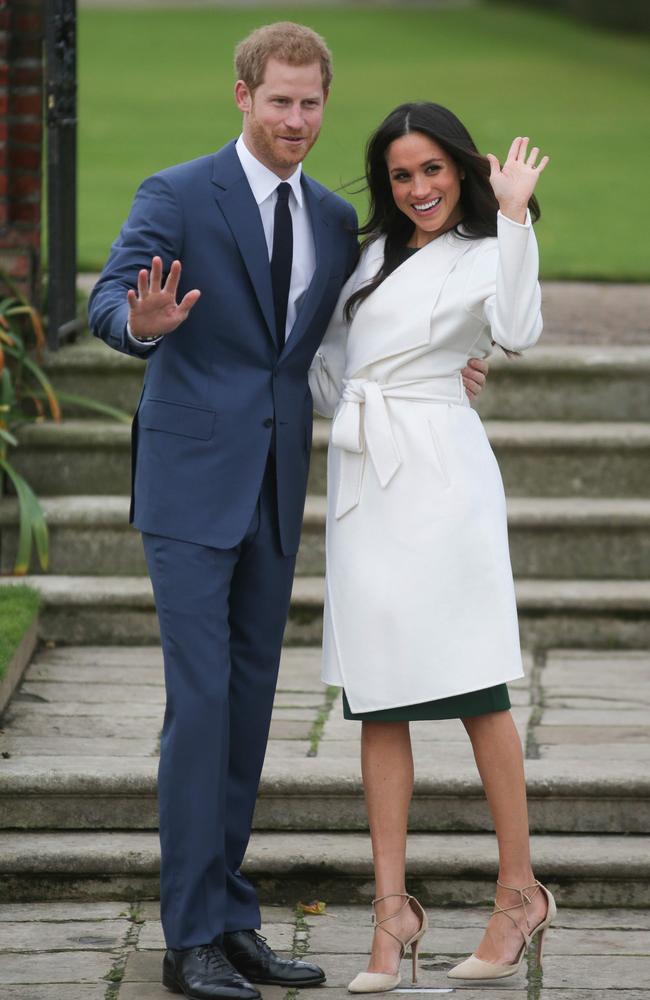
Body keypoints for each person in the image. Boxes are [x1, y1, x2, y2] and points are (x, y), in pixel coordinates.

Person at [88, 21, 491, 1000]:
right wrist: (137, 326)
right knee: (201, 706)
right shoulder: (177, 193)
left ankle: (230, 916)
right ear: (242, 96)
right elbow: (109, 300)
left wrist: (436, 372)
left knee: (249, 709)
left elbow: (338, 350)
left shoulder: (324, 216)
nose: (297, 120)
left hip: (274, 487)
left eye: (311, 103)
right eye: (279, 101)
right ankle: (191, 936)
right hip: (187, 490)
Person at [309, 102, 556, 991]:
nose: (419, 189)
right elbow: (333, 368)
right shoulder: (370, 259)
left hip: (444, 481)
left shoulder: (491, 250)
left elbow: (520, 330)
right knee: (379, 696)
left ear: (464, 171)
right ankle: (390, 917)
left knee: (475, 687)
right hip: (367, 479)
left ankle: (519, 893)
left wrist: (518, 214)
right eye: (403, 175)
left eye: (434, 172)